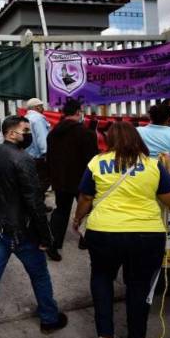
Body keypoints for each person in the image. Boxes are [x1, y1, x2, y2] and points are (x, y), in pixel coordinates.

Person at [72, 122, 170, 338]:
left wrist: (78, 218)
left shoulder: (96, 162)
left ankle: (105, 334)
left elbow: (85, 198)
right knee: (139, 286)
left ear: (109, 140)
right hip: (147, 234)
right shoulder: (152, 165)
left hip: (103, 231)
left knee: (102, 277)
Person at [0, 116, 67, 338]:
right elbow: (34, 201)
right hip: (20, 232)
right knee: (39, 275)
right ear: (11, 133)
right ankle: (49, 318)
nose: (29, 134)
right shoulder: (23, 159)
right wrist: (46, 237)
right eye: (25, 130)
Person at [46, 99, 98, 261]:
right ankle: (85, 240)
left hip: (60, 179)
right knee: (87, 209)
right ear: (77, 112)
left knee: (61, 210)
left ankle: (53, 244)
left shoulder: (53, 133)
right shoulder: (86, 133)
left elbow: (50, 157)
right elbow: (93, 160)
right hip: (82, 179)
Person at [25, 98, 52, 202]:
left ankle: (37, 204)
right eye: (42, 106)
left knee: (32, 182)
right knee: (43, 181)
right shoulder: (38, 119)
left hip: (28, 156)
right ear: (37, 107)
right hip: (39, 157)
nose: (43, 108)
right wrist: (46, 154)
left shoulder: (26, 118)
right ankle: (38, 205)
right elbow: (42, 139)